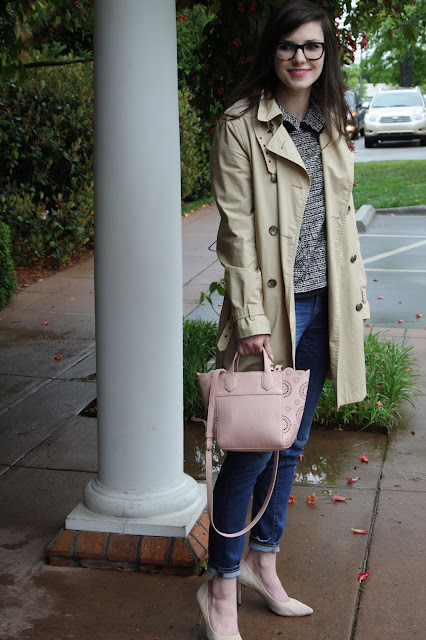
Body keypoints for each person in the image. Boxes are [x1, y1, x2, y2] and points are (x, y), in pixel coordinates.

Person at [196, 1, 370, 638]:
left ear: (327, 55)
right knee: (249, 451)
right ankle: (220, 588)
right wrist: (249, 318)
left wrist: (357, 304)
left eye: (314, 47)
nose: (302, 57)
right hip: (272, 310)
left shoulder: (332, 121)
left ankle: (263, 566)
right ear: (271, 51)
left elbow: (343, 221)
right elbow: (237, 232)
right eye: (290, 46)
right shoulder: (241, 124)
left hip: (325, 303)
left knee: (291, 445)